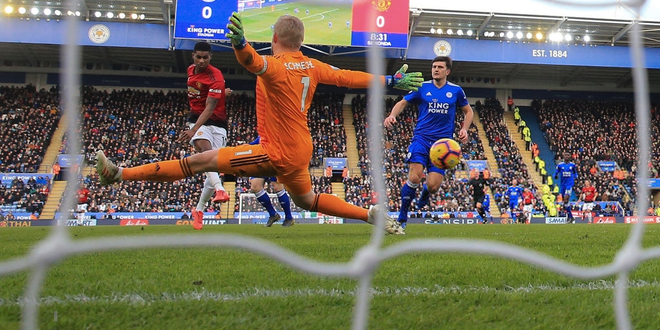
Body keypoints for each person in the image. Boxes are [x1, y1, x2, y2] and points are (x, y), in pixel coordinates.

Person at [96, 13, 423, 234]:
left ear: (276, 36)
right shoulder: (312, 65)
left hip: (277, 151)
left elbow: (251, 61)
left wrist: (240, 44)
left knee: (200, 161)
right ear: (300, 40)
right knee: (306, 200)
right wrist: (389, 79)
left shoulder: (276, 66)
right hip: (301, 147)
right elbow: (347, 77)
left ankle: (119, 174)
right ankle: (370, 215)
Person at [383, 55, 473, 230]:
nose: (436, 69)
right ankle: (402, 216)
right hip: (421, 138)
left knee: (433, 187)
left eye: (440, 67)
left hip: (442, 145)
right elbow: (402, 103)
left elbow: (468, 112)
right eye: (433, 67)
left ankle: (426, 192)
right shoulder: (422, 87)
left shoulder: (456, 91)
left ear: (447, 71)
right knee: (415, 176)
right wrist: (392, 115)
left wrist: (464, 129)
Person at [177, 41, 231, 230]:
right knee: (205, 151)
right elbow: (201, 95)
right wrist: (194, 128)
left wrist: (220, 93)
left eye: (205, 57)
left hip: (217, 122)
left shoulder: (215, 76)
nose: (201, 60)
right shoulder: (190, 70)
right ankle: (220, 190)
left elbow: (210, 106)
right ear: (193, 56)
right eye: (198, 57)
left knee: (213, 165)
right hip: (197, 120)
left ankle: (199, 209)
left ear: (211, 57)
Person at [554, 152, 578, 224]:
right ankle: (570, 217)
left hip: (569, 184)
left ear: (570, 157)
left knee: (566, 198)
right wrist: (555, 175)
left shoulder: (573, 165)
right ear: (563, 156)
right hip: (562, 185)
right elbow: (556, 172)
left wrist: (576, 177)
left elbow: (575, 172)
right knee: (565, 202)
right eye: (565, 155)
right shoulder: (560, 165)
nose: (567, 156)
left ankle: (570, 217)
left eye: (568, 155)